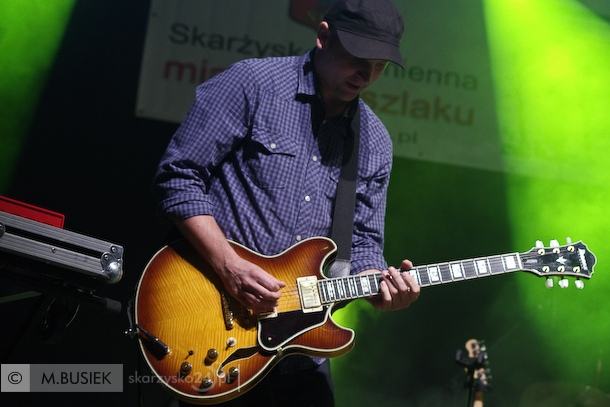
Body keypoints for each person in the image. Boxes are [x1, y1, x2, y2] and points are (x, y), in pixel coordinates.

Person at [153, 0, 420, 405]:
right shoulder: (253, 84)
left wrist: (382, 287)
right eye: (357, 58)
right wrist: (228, 265)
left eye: (379, 65)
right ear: (324, 36)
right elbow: (178, 176)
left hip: (303, 352)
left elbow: (364, 243)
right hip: (214, 324)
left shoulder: (375, 142)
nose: (366, 75)